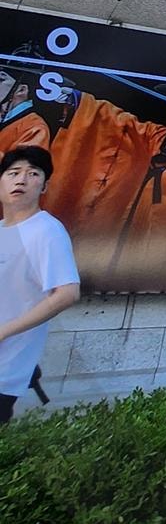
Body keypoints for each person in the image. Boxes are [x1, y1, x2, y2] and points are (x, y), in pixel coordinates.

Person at [0, 145, 80, 424]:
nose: (21, 180)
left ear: (44, 186)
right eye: (13, 173)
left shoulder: (46, 231)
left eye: (32, 173)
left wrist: (3, 332)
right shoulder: (2, 229)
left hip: (3, 371)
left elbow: (67, 293)